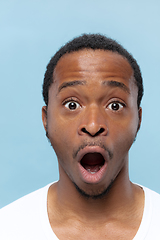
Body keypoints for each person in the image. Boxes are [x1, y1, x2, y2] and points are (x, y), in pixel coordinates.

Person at [0, 34, 160, 240]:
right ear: (46, 119)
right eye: (72, 105)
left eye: (115, 106)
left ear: (138, 120)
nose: (93, 125)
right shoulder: (7, 229)